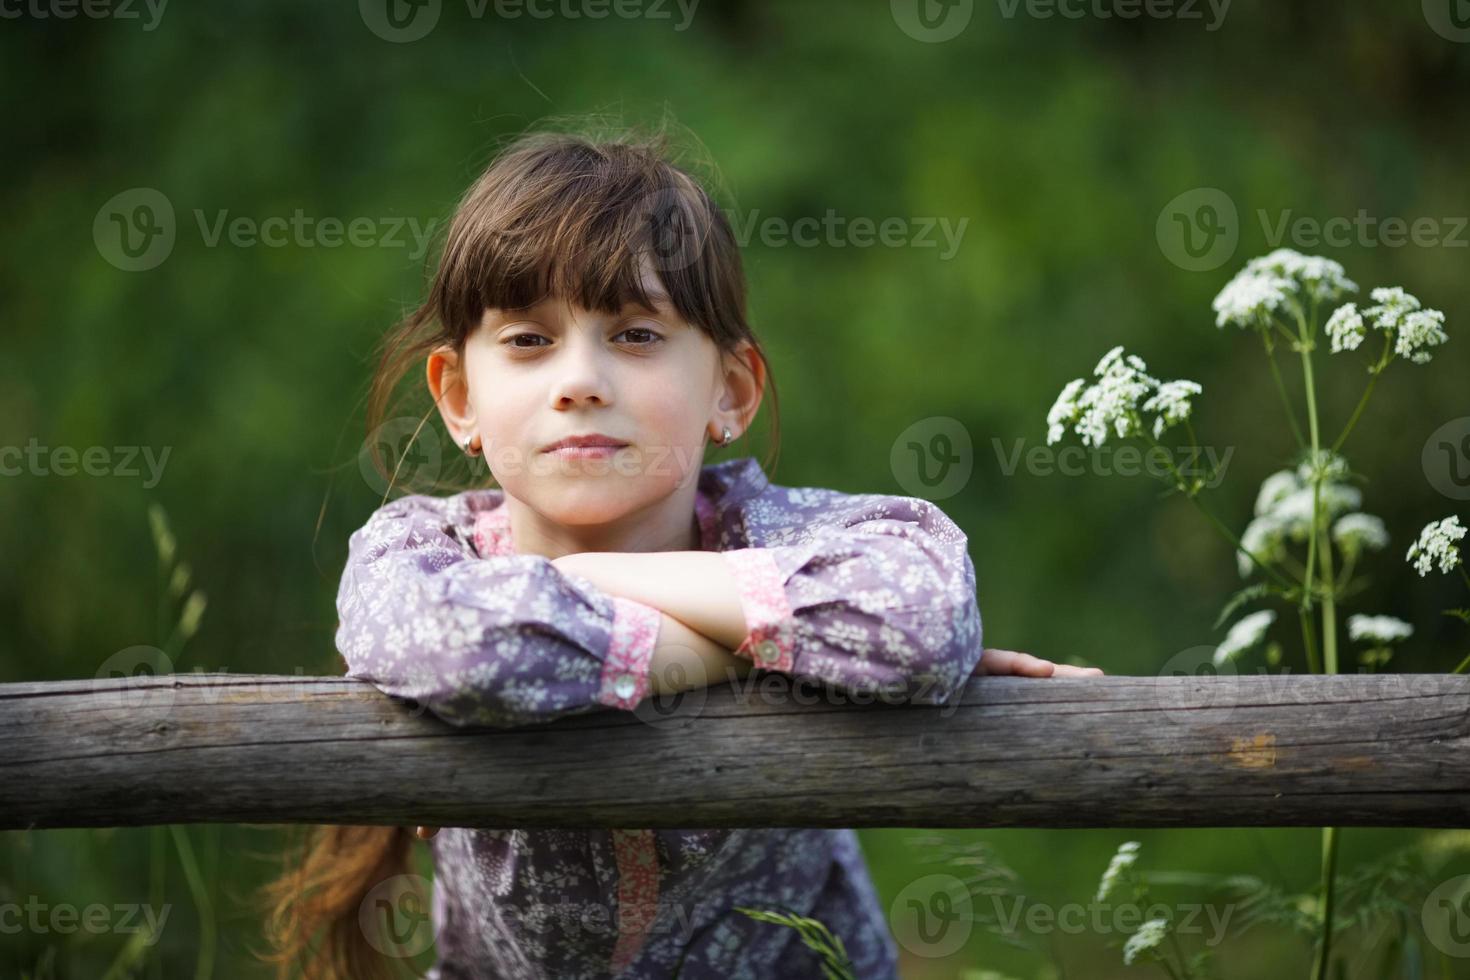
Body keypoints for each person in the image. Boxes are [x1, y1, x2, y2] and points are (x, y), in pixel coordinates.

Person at [259, 120, 1102, 980]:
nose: (580, 380)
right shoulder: (421, 553)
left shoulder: (783, 534)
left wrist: (589, 577)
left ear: (729, 391)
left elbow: (922, 621)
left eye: (636, 334)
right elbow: (465, 652)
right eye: (528, 340)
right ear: (458, 397)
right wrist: (773, 654)